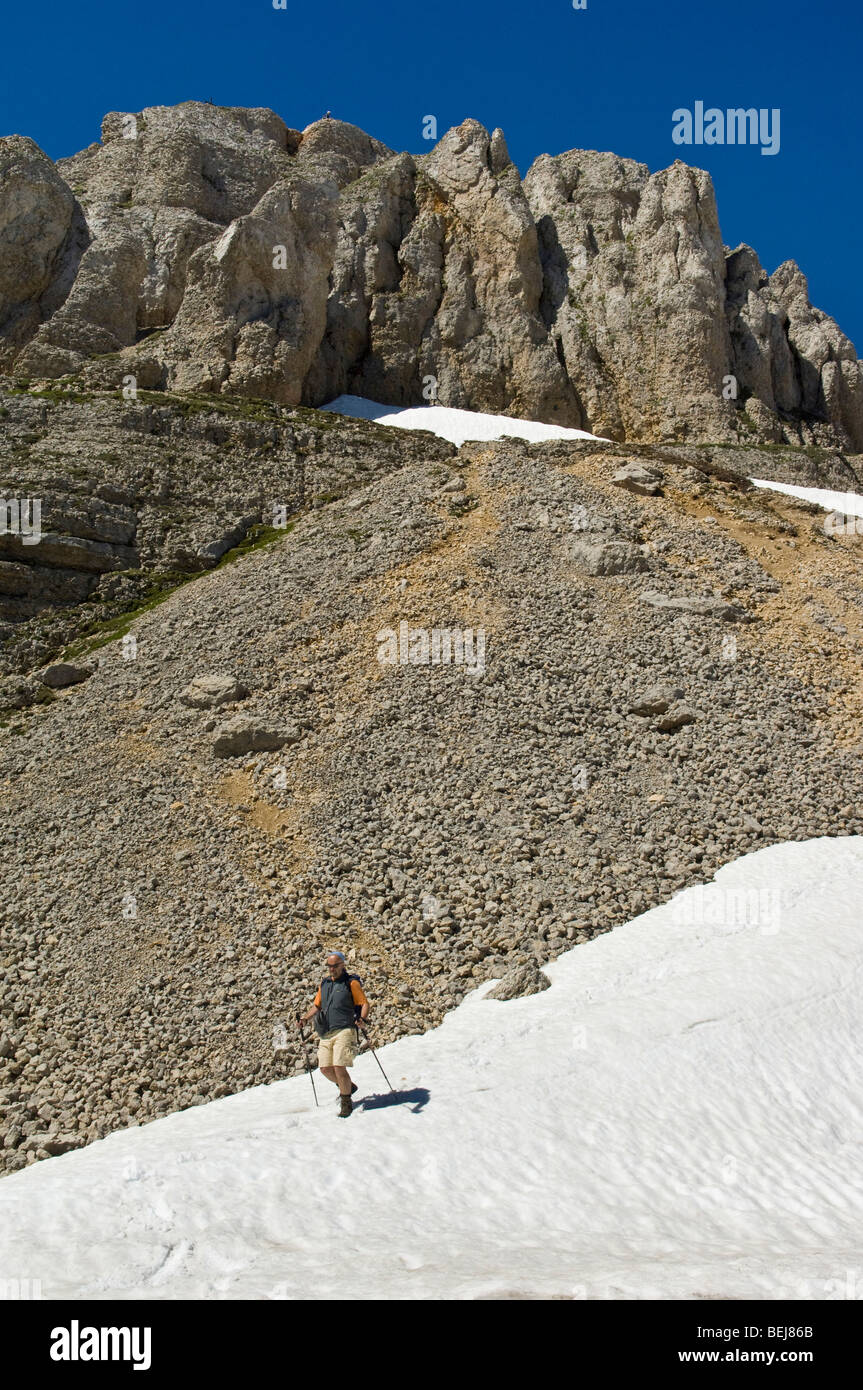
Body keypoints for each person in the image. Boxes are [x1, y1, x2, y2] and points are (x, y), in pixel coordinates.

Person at [298, 952, 370, 1117]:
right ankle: (348, 1087)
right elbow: (317, 1006)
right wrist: (305, 1019)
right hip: (326, 1031)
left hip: (345, 1029)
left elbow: (363, 1003)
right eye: (329, 966)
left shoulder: (351, 983)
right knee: (325, 1069)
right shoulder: (324, 984)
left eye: (335, 966)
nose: (332, 969)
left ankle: (346, 1103)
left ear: (342, 964)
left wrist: (362, 1019)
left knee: (339, 1066)